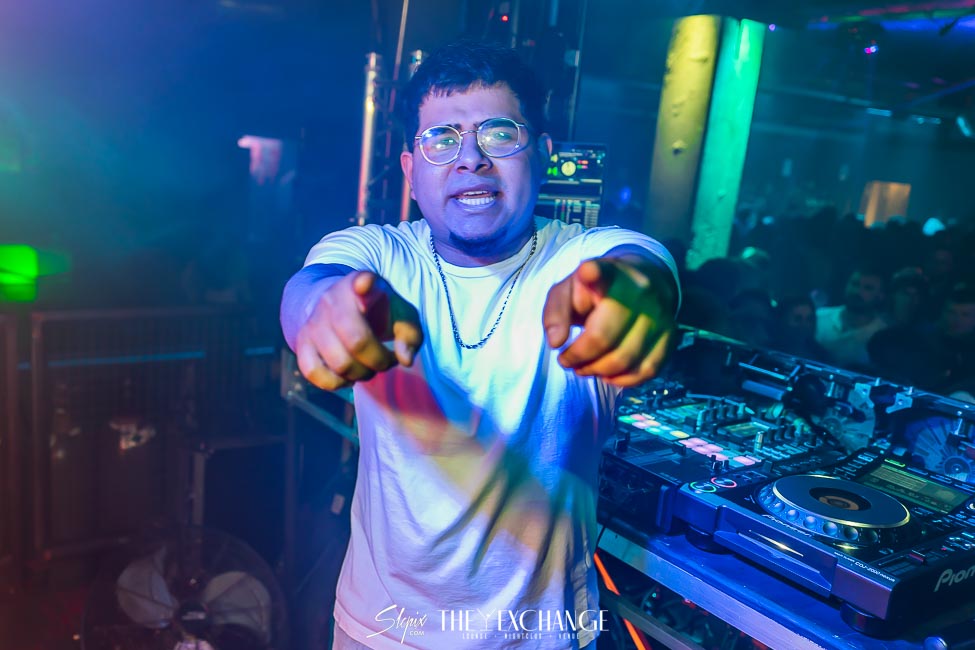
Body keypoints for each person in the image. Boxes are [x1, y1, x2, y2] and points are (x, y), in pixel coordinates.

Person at [280, 40, 679, 650]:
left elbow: (641, 269)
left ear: (543, 155)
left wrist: (628, 298)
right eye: (442, 139)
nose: (471, 158)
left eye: (499, 134)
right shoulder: (380, 255)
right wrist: (323, 312)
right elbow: (311, 289)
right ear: (411, 172)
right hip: (382, 634)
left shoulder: (579, 258)